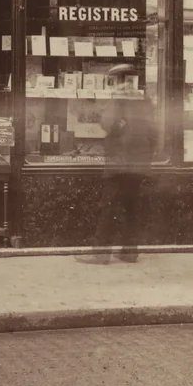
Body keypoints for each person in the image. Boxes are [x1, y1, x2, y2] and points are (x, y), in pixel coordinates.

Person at [81, 63, 156, 263]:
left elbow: (106, 124)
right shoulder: (145, 100)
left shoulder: (118, 99)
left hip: (120, 163)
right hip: (139, 163)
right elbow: (153, 132)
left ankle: (100, 253)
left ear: (118, 79)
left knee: (109, 206)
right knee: (131, 207)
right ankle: (130, 252)